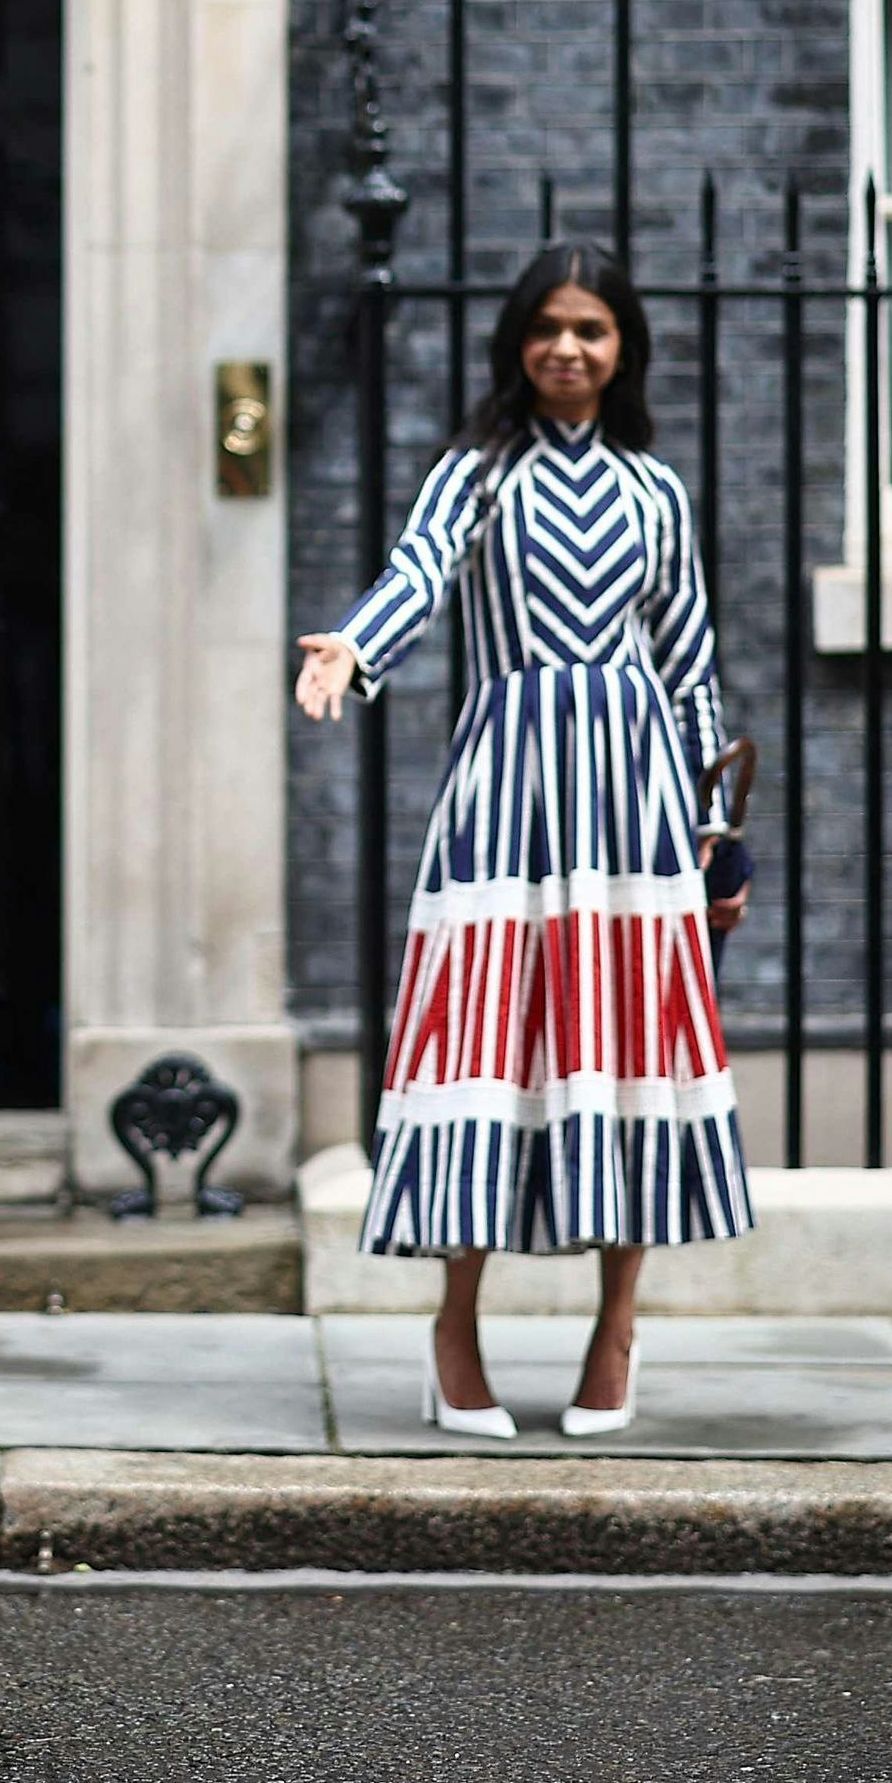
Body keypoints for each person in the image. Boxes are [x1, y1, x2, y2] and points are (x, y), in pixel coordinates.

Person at [293, 240, 756, 1439]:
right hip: (503, 794)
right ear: (518, 342)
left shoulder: (657, 492)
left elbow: (693, 668)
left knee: (626, 1053)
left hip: (635, 803)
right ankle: (456, 1330)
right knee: (486, 1051)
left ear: (621, 350)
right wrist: (353, 646)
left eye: (591, 330)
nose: (566, 347)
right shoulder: (476, 473)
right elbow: (417, 571)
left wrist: (719, 839)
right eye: (548, 327)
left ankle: (617, 1330)